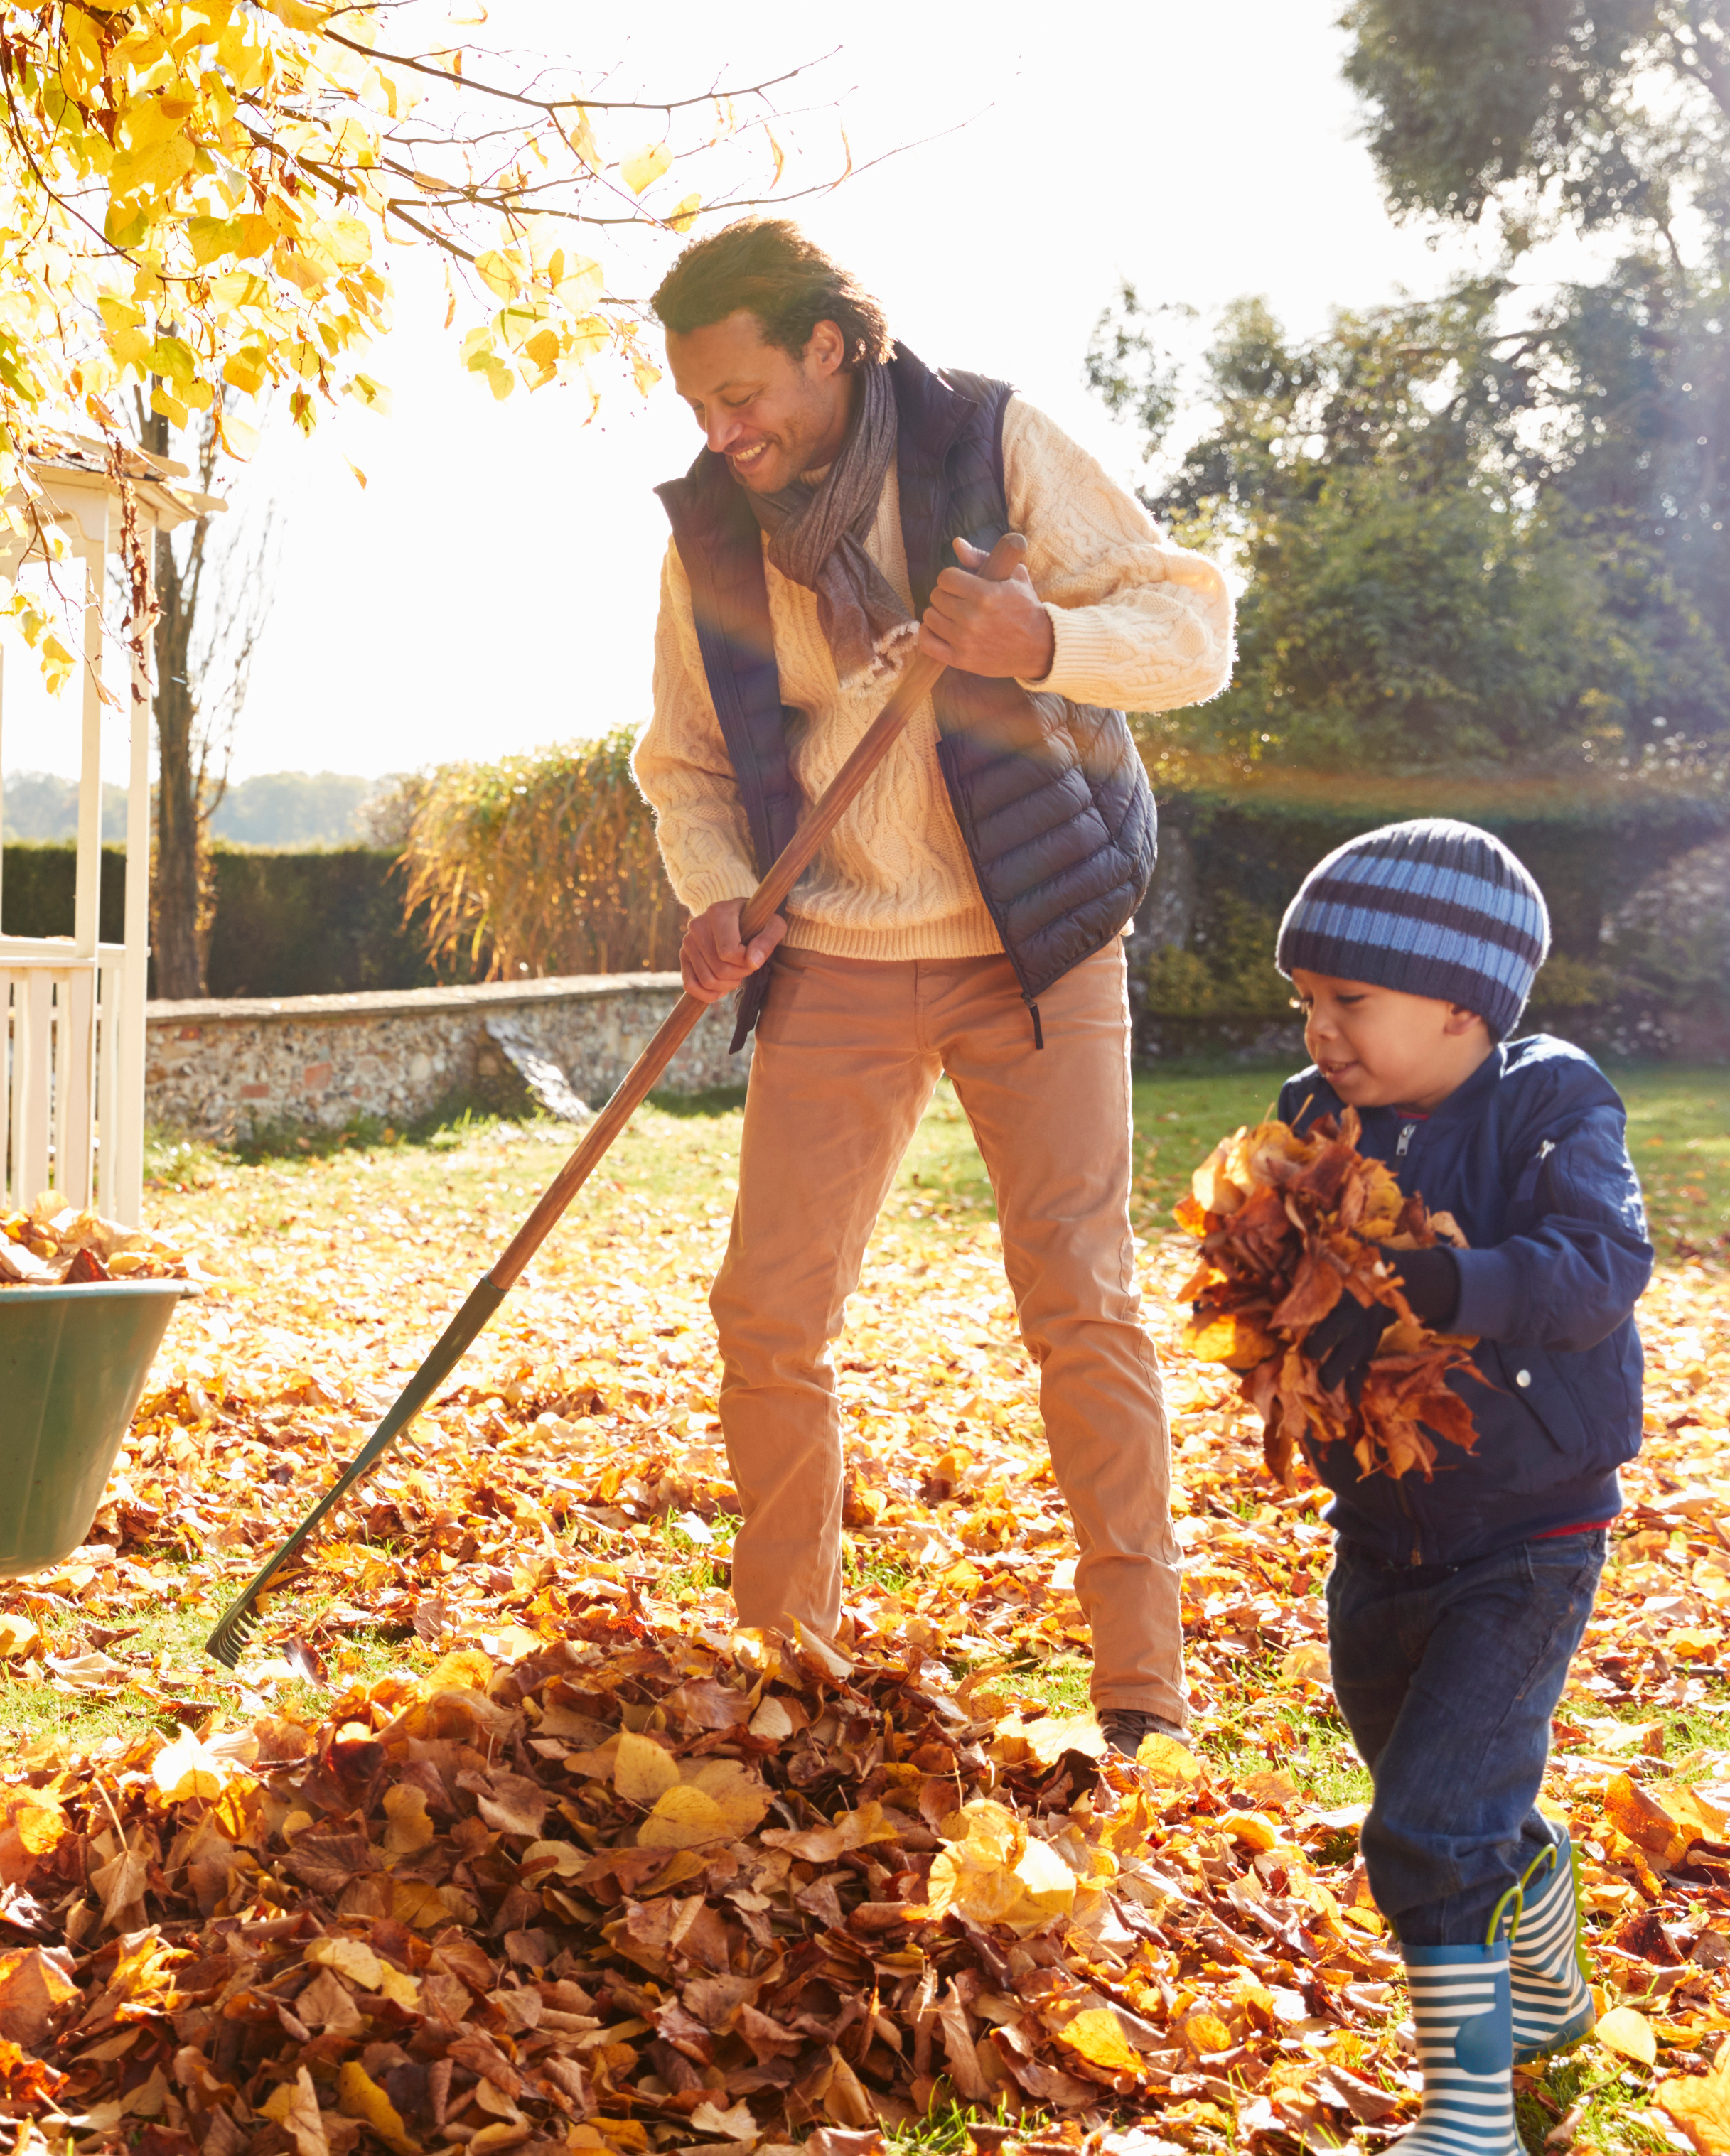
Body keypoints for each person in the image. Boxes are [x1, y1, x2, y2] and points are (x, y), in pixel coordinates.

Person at [630, 217, 1230, 1750]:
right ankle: (786, 1673)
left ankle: (1141, 1694)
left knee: (1076, 1294)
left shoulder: (988, 440)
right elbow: (688, 762)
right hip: (837, 947)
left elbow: (1191, 631)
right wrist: (713, 889)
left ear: (828, 346)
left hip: (1036, 934)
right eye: (700, 403)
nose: (724, 428)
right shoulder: (711, 531)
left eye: (744, 391)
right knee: (767, 1312)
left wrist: (1042, 635)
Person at [1267, 819, 1646, 2149]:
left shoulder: (1552, 1101)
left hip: (1530, 1525)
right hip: (1379, 1523)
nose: (1319, 1027)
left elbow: (1601, 1266)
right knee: (1442, 1787)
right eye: (1306, 999)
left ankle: (1467, 2117)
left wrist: (1459, 1281)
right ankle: (1533, 1897)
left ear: (1460, 1002)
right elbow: (1287, 1256)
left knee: (1426, 1821)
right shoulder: (1322, 1115)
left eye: (1349, 1001)